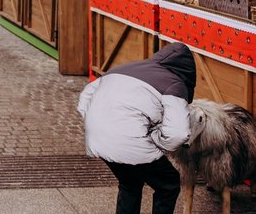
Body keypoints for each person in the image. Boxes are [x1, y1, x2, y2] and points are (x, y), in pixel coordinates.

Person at [78, 42, 196, 214]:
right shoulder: (175, 84)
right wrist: (155, 139)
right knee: (168, 184)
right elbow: (178, 134)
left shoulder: (127, 67)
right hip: (129, 139)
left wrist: (95, 122)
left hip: (97, 136)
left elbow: (86, 96)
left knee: (130, 183)